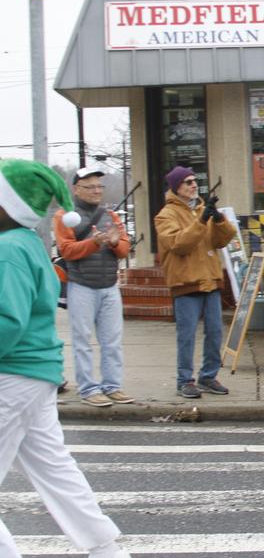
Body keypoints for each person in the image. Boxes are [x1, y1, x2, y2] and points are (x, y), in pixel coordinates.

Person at [0, 158, 131, 558]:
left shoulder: (6, 250)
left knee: (54, 468)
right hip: (36, 374)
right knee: (55, 470)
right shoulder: (25, 243)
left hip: (13, 373)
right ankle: (106, 549)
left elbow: (8, 322)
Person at [53, 167, 133, 408]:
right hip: (82, 286)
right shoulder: (64, 215)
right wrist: (93, 243)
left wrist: (116, 243)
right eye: (90, 186)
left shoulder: (110, 215)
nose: (97, 190)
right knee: (82, 341)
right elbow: (66, 250)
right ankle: (88, 388)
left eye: (99, 186)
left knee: (112, 340)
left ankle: (112, 386)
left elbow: (124, 248)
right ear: (77, 189)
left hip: (109, 285)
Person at [154, 166, 236, 399]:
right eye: (187, 182)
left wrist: (218, 219)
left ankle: (208, 376)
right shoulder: (165, 215)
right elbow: (180, 244)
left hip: (210, 279)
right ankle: (184, 380)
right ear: (176, 187)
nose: (193, 185)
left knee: (215, 332)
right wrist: (201, 220)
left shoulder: (203, 209)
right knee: (187, 334)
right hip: (186, 283)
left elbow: (224, 239)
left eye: (194, 181)